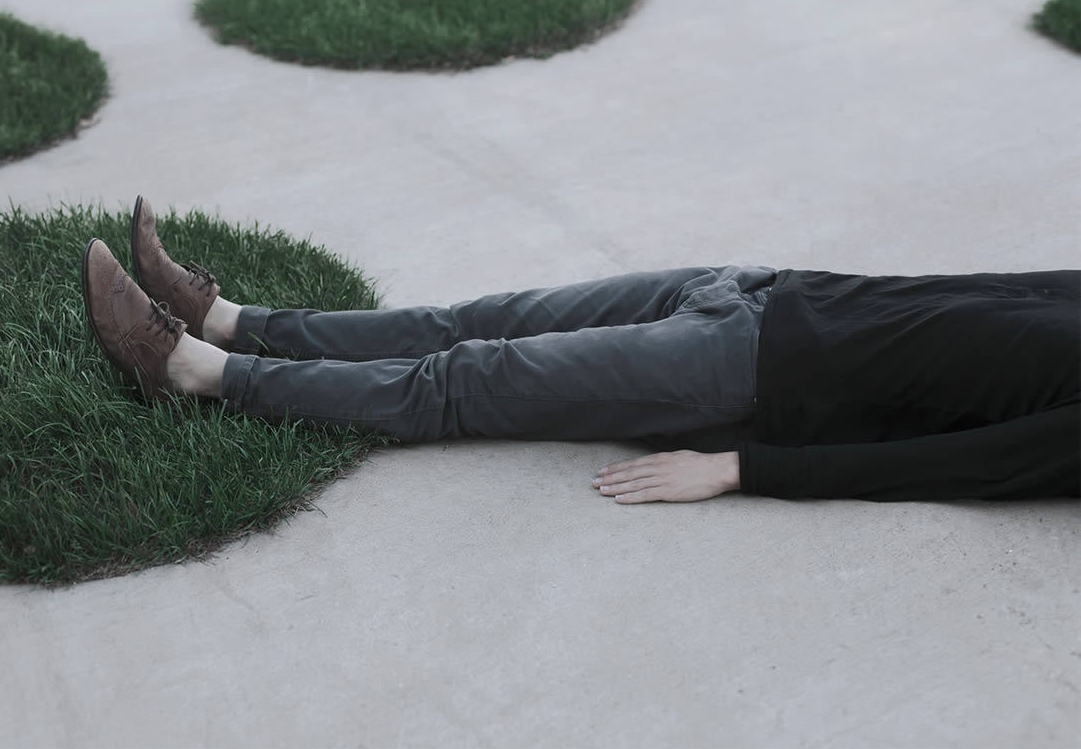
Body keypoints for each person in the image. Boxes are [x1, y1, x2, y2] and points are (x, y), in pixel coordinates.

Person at [81, 198, 1079, 504]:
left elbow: (967, 464)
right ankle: (232, 321)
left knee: (470, 381)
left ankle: (196, 373)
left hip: (752, 375)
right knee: (480, 320)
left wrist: (740, 468)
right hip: (761, 290)